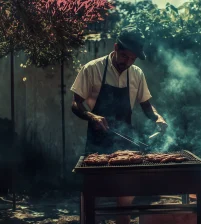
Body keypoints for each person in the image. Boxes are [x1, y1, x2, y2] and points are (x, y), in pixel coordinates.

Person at [70, 26, 168, 224]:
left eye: (133, 59)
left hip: (126, 141)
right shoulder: (92, 69)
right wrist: (92, 117)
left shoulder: (137, 74)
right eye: (125, 57)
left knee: (126, 192)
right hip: (98, 142)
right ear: (115, 48)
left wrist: (158, 118)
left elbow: (147, 106)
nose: (128, 62)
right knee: (91, 194)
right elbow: (75, 104)